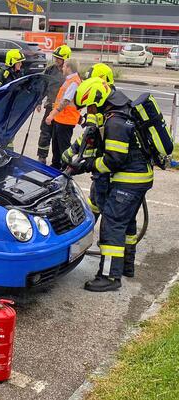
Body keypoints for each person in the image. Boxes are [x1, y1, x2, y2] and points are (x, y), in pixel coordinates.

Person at [72, 77, 153, 292]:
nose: (88, 111)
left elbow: (114, 160)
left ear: (97, 100)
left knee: (112, 224)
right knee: (126, 224)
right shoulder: (119, 112)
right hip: (139, 178)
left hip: (129, 180)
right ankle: (126, 266)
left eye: (89, 106)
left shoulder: (115, 121)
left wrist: (88, 165)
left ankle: (109, 276)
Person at [62, 63, 116, 217]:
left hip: (108, 169)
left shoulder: (109, 107)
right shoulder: (101, 102)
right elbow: (90, 133)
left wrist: (85, 163)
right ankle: (90, 228)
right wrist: (73, 149)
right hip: (101, 168)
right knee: (94, 203)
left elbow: (97, 136)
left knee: (107, 208)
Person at [45, 59, 81, 170]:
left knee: (63, 146)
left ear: (69, 68)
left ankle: (66, 168)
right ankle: (55, 165)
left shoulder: (74, 82)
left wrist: (52, 115)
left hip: (66, 120)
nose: (62, 68)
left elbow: (65, 101)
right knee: (56, 145)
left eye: (64, 66)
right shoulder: (69, 80)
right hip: (60, 119)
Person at [36, 45, 68, 164]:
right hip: (50, 107)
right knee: (45, 132)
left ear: (66, 59)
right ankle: (42, 156)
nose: (56, 60)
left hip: (63, 110)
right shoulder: (50, 69)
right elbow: (43, 85)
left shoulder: (70, 72)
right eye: (55, 57)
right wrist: (39, 101)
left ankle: (58, 160)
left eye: (59, 58)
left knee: (58, 136)